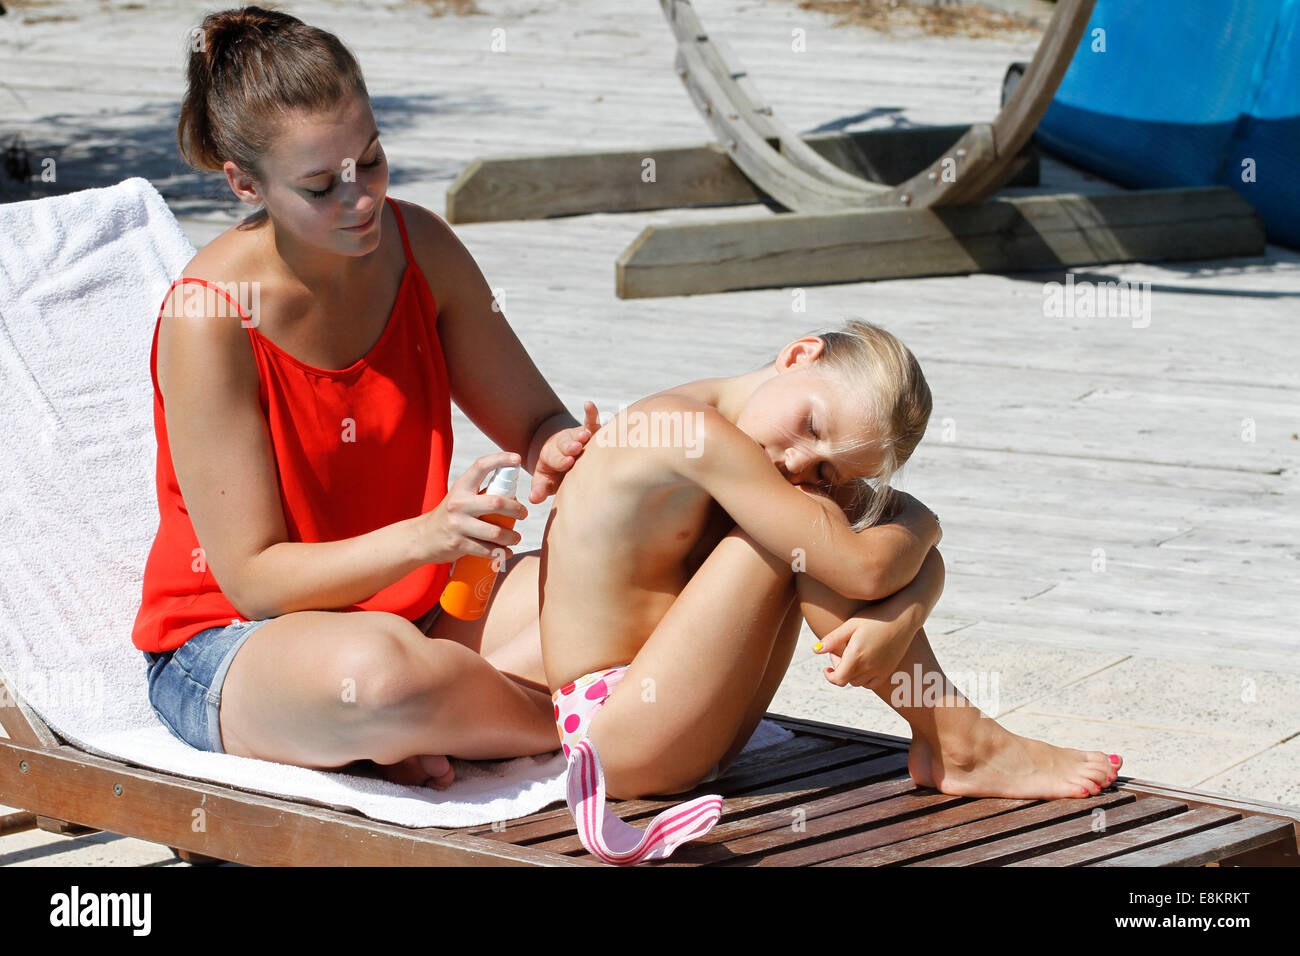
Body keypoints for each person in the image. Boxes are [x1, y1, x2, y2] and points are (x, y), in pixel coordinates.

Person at [132, 6, 599, 789]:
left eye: (372, 162)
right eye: (320, 186)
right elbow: (252, 580)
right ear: (244, 183)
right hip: (239, 643)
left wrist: (558, 447)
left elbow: (534, 422)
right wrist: (429, 537)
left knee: (630, 576)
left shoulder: (423, 251)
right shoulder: (209, 316)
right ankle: (571, 727)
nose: (361, 200)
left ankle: (438, 723)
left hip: (421, 615)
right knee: (380, 679)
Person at [540, 320, 1123, 863]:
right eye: (813, 427)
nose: (797, 461)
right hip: (616, 733)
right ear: (798, 355)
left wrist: (901, 610)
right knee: (814, 528)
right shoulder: (690, 430)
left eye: (826, 469)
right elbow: (865, 572)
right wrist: (925, 528)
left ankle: (958, 742)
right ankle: (960, 741)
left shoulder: (760, 456)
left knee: (817, 526)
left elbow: (890, 558)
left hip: (680, 724)